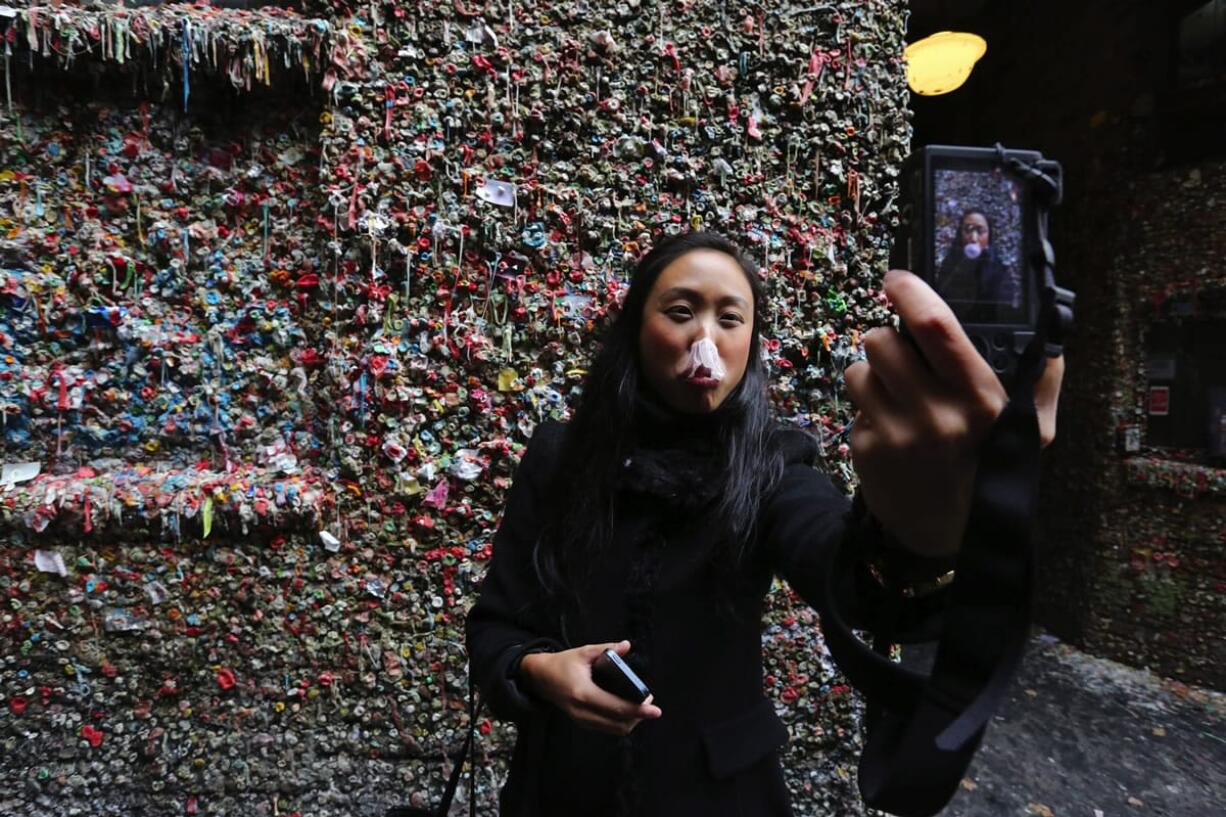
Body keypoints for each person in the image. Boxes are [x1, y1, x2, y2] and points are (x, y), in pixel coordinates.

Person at [465, 231, 1064, 816]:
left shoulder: (773, 464)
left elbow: (850, 575)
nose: (706, 339)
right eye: (680, 312)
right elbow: (495, 628)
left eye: (730, 319)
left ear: (751, 342)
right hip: (562, 789)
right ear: (635, 330)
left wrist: (923, 535)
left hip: (723, 793)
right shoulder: (559, 458)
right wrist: (537, 671)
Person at [936, 209, 1018, 319]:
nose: (974, 238)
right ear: (960, 233)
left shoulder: (1000, 271)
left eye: (980, 231)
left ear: (989, 236)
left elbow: (1004, 310)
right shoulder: (949, 265)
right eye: (968, 230)